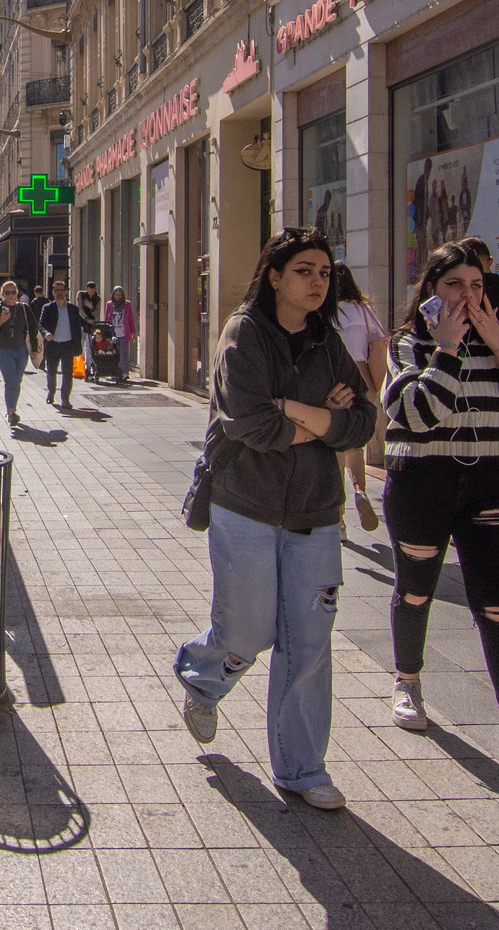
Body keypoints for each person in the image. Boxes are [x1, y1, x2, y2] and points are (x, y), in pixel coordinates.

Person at [173, 228, 376, 812]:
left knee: (308, 644)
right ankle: (203, 676)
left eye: (325, 272)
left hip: (317, 512)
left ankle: (302, 769)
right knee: (249, 631)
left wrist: (296, 410)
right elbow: (250, 427)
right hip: (247, 507)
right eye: (305, 271)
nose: (319, 282)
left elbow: (363, 421)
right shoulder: (245, 334)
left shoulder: (327, 340)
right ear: (276, 278)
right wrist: (321, 421)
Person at [380, 241, 499, 777]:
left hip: (489, 484)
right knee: (415, 588)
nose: (468, 295)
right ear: (430, 293)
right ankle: (407, 682)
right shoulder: (405, 348)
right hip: (422, 483)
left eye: (476, 286)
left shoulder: (498, 348)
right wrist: (445, 349)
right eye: (454, 286)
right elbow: (419, 413)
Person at [331, 262, 388, 531]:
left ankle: (339, 520)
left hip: (333, 382)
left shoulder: (324, 310)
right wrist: (376, 388)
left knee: (336, 448)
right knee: (357, 444)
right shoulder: (364, 311)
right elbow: (380, 346)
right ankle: (360, 491)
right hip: (362, 378)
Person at [0, 280, 39, 427]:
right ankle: (11, 412)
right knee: (11, 381)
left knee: (17, 380)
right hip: (4, 350)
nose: (10, 295)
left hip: (21, 350)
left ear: (17, 293)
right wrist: (1, 321)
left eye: (13, 292)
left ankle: (11, 410)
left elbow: (33, 328)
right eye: (7, 293)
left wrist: (34, 349)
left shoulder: (24, 308)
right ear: (2, 294)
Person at [39, 278, 86, 410]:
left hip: (68, 346)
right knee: (51, 372)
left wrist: (78, 346)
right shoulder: (48, 308)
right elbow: (41, 325)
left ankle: (65, 399)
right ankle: (52, 391)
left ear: (66, 292)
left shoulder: (73, 309)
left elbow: (77, 328)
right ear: (53, 293)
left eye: (61, 290)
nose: (59, 292)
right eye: (56, 290)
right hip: (53, 344)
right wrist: (46, 334)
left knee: (67, 373)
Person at [102, 286, 137, 382]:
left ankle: (124, 373)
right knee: (112, 353)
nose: (117, 297)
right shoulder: (109, 304)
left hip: (123, 333)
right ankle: (113, 372)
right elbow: (106, 319)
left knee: (123, 353)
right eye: (116, 295)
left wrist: (133, 332)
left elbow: (130, 319)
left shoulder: (127, 304)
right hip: (112, 333)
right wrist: (105, 332)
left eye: (119, 295)